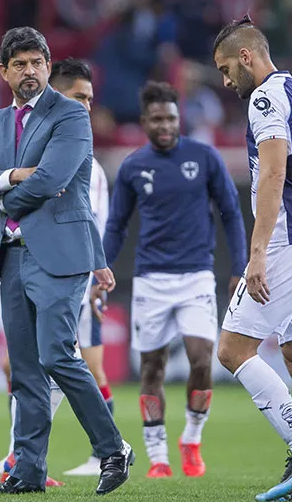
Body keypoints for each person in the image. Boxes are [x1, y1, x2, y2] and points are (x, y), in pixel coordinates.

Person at [0, 27, 133, 495]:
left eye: (37, 62)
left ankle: (113, 447)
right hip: (12, 256)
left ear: (48, 66)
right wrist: (13, 175)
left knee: (57, 352)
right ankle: (29, 471)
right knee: (25, 369)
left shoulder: (71, 115)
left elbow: (52, 178)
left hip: (60, 253)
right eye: (19, 64)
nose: (29, 71)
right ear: (4, 71)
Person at [97, 81, 247, 479]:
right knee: (151, 370)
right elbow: (116, 226)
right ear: (145, 121)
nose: (166, 126)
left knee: (202, 362)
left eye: (172, 119)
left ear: (180, 119)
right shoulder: (132, 167)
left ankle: (192, 440)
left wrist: (240, 266)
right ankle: (158, 455)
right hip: (150, 282)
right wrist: (101, 267)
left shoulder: (204, 157)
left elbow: (231, 213)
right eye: (158, 119)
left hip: (197, 276)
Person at [212, 15, 292, 502]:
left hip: (290, 238)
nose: (225, 81)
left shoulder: (265, 98)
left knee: (232, 350)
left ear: (247, 57)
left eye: (226, 69)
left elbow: (273, 175)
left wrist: (257, 253)